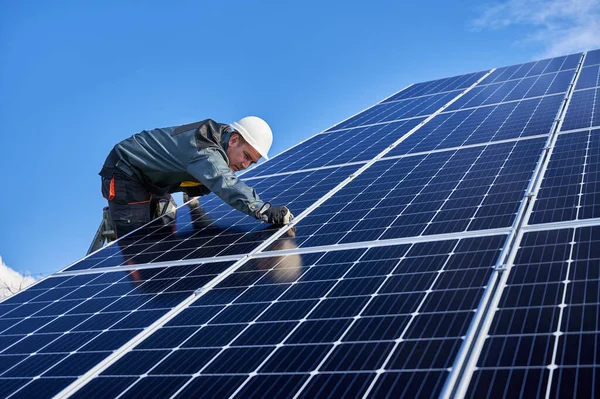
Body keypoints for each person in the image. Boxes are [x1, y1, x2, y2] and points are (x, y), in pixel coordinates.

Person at [99, 116, 293, 238]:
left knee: (165, 229)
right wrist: (262, 210)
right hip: (126, 170)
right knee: (138, 243)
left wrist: (193, 192)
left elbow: (210, 176)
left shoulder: (221, 139)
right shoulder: (205, 150)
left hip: (156, 180)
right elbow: (224, 182)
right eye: (246, 156)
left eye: (251, 162)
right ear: (234, 140)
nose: (245, 165)